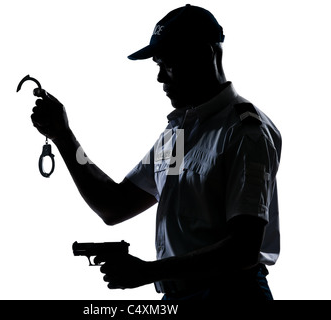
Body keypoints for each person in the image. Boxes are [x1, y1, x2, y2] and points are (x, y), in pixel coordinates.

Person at [30, 4, 281, 300]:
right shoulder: (177, 137)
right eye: (158, 65)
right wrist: (62, 136)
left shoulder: (245, 132)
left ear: (206, 55)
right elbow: (115, 205)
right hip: (178, 297)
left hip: (233, 296)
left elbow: (243, 248)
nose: (160, 78)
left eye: (169, 64)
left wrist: (149, 272)